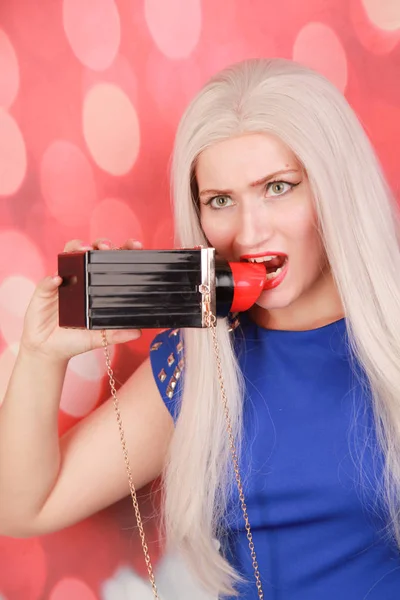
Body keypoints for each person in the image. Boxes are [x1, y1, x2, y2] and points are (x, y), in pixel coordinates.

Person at [1, 58, 400, 599]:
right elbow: (24, 506)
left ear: (333, 188)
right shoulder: (199, 363)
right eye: (220, 200)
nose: (251, 230)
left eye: (278, 188)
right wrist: (42, 356)